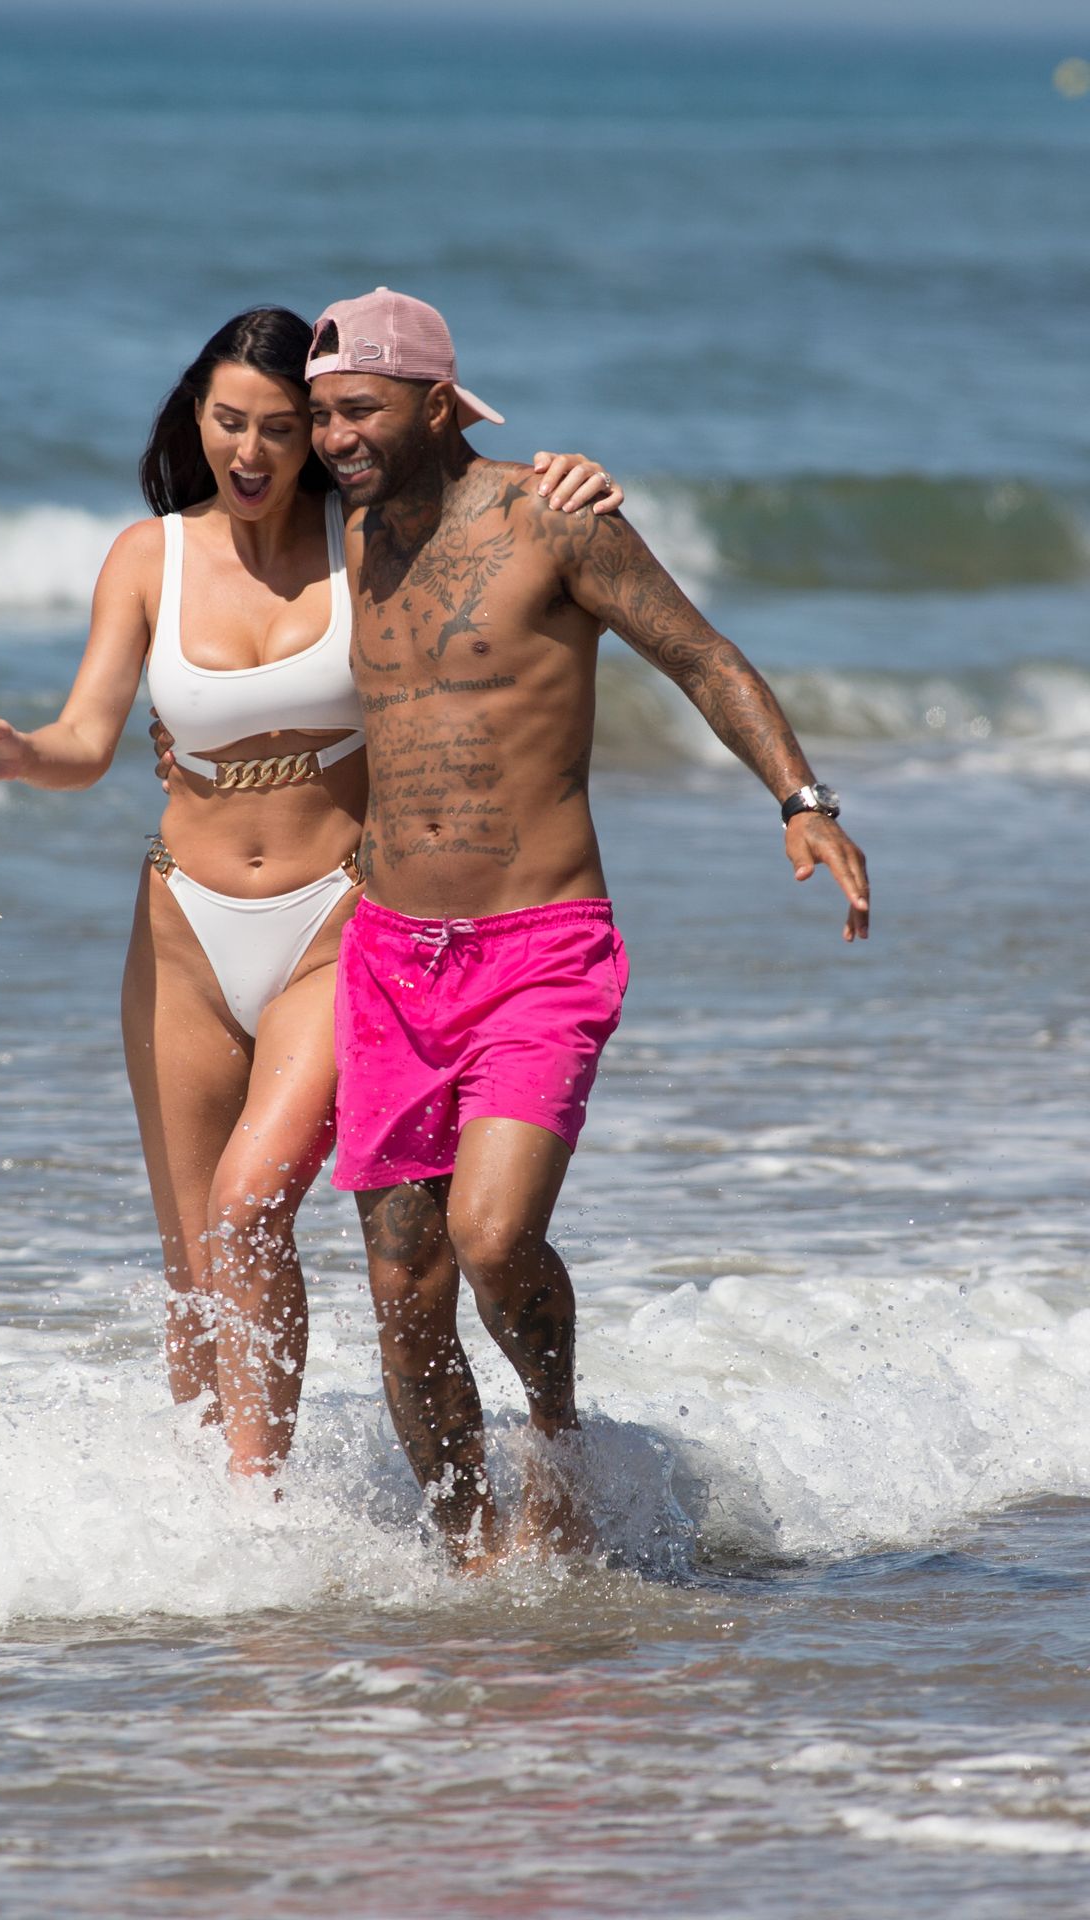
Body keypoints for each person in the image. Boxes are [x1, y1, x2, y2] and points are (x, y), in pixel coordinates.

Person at [0, 304, 622, 1479]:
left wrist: (572, 479)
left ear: (314, 436)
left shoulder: (369, 541)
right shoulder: (146, 557)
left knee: (248, 1206)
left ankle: (272, 1503)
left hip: (334, 918)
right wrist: (17, 754)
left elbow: (486, 534)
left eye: (277, 428)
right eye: (226, 422)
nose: (248, 452)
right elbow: (86, 740)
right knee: (194, 1264)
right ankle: (226, 1524)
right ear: (193, 419)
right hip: (184, 930)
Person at [303, 287, 871, 1564]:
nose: (333, 437)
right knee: (400, 1289)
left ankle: (557, 1437)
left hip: (537, 948)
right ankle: (470, 1563)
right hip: (388, 955)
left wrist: (802, 803)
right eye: (321, 415)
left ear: (437, 405)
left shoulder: (555, 517)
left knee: (491, 1237)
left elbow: (702, 657)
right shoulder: (344, 524)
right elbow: (216, 479)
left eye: (359, 411)